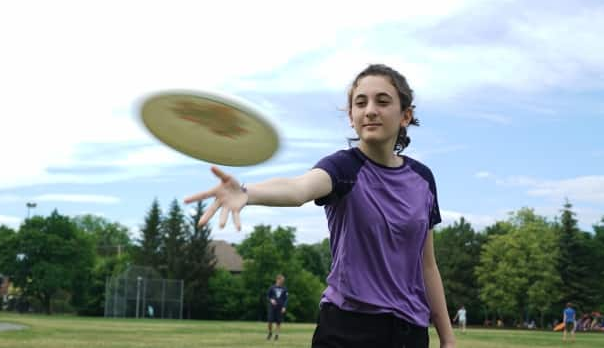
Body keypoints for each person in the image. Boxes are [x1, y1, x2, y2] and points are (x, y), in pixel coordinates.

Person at [184, 64, 455, 348]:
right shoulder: (343, 167)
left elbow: (427, 266)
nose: (370, 110)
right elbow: (298, 188)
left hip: (409, 332)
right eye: (360, 103)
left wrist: (447, 338)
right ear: (351, 116)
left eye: (383, 101)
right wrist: (246, 192)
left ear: (405, 115)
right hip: (347, 328)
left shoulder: (423, 180)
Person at [266, 274, 288, 340]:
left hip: (280, 307)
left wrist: (284, 307)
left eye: (283, 280)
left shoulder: (284, 289)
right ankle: (270, 333)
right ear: (277, 280)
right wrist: (271, 300)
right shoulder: (272, 288)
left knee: (278, 321)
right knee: (270, 321)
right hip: (272, 307)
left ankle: (276, 335)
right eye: (281, 280)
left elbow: (286, 299)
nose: (282, 282)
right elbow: (268, 296)